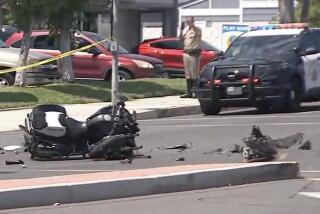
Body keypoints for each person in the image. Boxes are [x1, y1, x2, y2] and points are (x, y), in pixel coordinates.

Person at [180, 16, 202, 98]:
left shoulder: (197, 30)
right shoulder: (185, 29)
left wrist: (192, 27)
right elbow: (180, 40)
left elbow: (196, 34)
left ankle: (196, 92)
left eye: (189, 21)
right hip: (186, 53)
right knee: (187, 74)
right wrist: (181, 30)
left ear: (193, 21)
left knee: (194, 73)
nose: (188, 22)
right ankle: (189, 92)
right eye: (187, 21)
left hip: (194, 53)